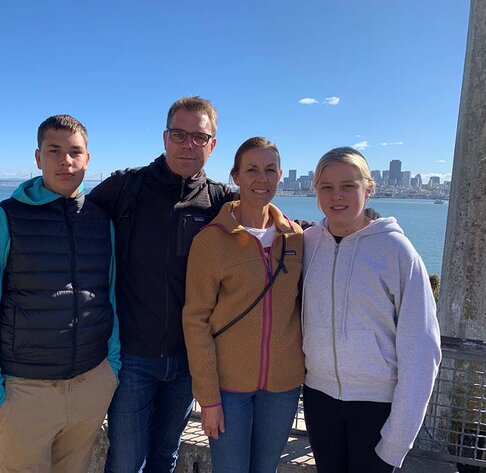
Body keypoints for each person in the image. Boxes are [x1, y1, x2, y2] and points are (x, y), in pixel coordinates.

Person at [0, 97, 236, 472]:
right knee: (127, 462)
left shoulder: (218, 200)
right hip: (131, 360)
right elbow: (59, 200)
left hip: (185, 359)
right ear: (165, 137)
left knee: (166, 456)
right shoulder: (124, 188)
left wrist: (305, 233)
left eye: (199, 137)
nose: (187, 144)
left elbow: (262, 211)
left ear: (212, 145)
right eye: (179, 134)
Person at [0, 114, 121, 473]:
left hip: (91, 384)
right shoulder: (5, 219)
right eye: (54, 151)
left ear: (87, 159)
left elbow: (110, 295)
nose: (66, 161)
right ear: (38, 158)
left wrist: (112, 366)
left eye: (75, 152)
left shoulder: (101, 220)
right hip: (25, 394)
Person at [301, 147, 441, 472]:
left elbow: (422, 347)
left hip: (377, 406)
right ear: (316, 190)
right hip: (319, 398)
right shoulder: (305, 244)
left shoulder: (396, 250)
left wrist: (398, 440)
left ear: (369, 188)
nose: (337, 196)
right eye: (326, 187)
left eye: (348, 186)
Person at [182, 137, 305, 472]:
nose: (261, 179)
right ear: (236, 176)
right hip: (228, 388)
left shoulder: (295, 238)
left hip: (282, 387)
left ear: (281, 175)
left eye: (269, 170)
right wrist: (207, 397)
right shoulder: (211, 241)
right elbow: (196, 321)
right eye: (251, 170)